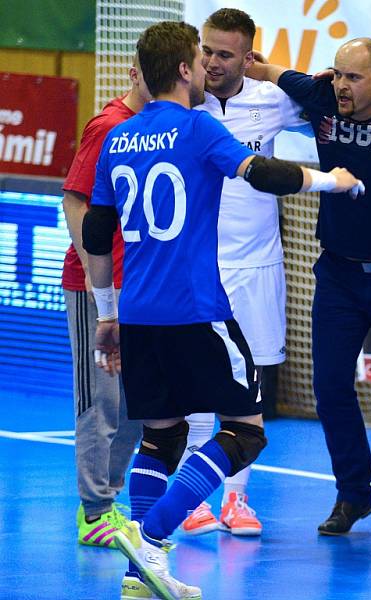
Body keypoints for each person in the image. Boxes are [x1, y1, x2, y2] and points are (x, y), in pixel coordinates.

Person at [83, 21, 362, 599]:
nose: (206, 65)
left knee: (160, 437)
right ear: (184, 70)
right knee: (244, 431)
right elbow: (261, 173)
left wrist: (107, 314)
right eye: (198, 57)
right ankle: (152, 532)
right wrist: (330, 181)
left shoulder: (119, 138)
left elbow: (94, 231)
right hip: (197, 310)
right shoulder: (197, 128)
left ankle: (141, 576)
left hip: (136, 314)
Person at [247, 37, 371, 542]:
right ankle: (352, 494)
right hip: (338, 274)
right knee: (330, 387)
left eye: (353, 77)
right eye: (337, 74)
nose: (341, 85)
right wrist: (252, 63)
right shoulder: (319, 96)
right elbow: (273, 72)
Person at [176, 7, 312, 539]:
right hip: (197, 265)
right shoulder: (182, 101)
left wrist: (273, 71)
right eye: (206, 50)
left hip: (256, 265)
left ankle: (236, 499)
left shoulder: (272, 100)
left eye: (225, 54)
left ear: (248, 57)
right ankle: (190, 500)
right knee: (194, 386)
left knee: (247, 387)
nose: (211, 61)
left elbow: (327, 105)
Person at [61, 57, 149, 549]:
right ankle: (94, 510)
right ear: (136, 74)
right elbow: (74, 201)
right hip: (95, 289)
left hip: (140, 289)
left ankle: (108, 504)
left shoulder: (156, 129)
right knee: (102, 402)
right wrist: (99, 288)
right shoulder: (108, 126)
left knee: (136, 404)